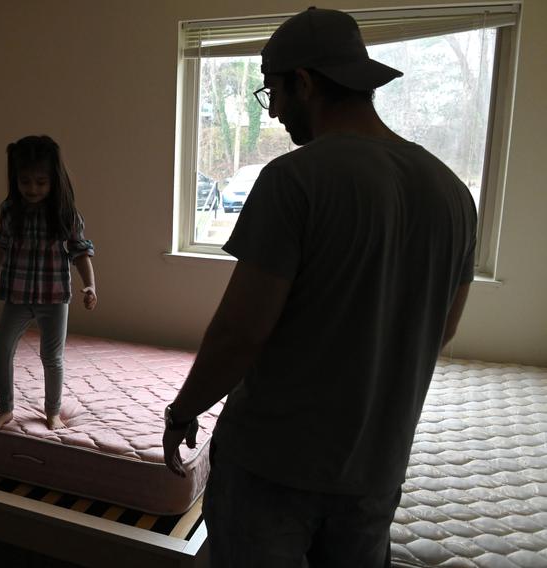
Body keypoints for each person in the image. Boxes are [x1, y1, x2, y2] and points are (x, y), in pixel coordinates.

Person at [161, 7, 476, 567]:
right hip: (376, 468)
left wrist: (183, 410)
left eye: (273, 94)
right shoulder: (452, 193)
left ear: (303, 83)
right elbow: (441, 329)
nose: (276, 112)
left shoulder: (295, 179)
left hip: (272, 465)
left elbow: (241, 331)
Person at [0, 135, 97, 431]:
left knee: (51, 357)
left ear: (53, 181)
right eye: (24, 182)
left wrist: (90, 285)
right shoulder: (10, 211)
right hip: (18, 296)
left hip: (54, 297)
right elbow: (2, 245)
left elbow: (81, 251)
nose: (32, 189)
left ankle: (53, 411)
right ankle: (5, 408)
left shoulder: (64, 214)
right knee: (0, 348)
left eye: (40, 182)